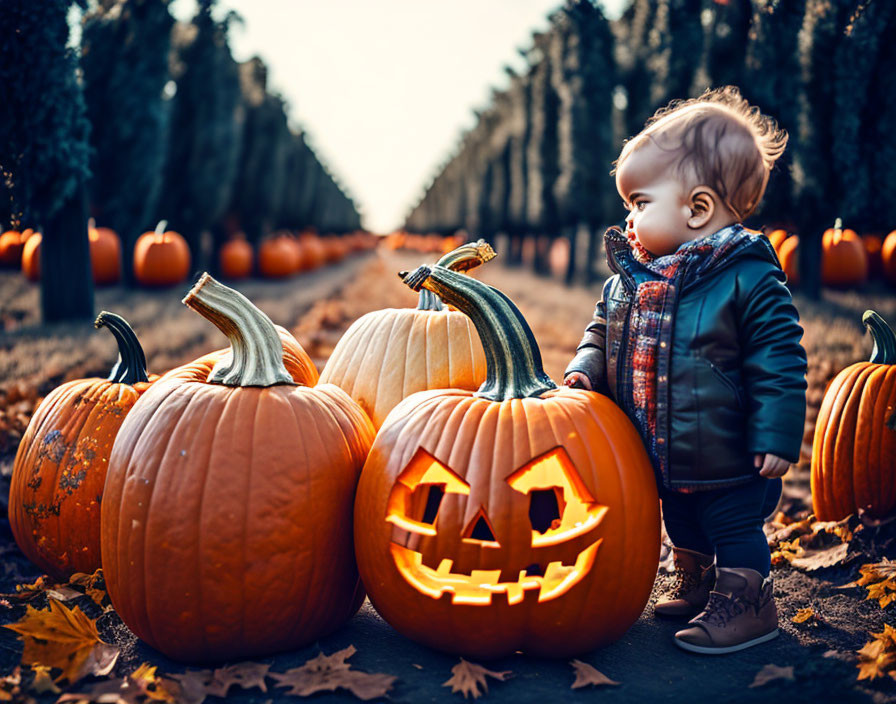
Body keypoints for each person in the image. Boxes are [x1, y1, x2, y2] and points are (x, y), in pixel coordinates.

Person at [563, 86, 807, 654]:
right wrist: (584, 371)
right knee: (684, 524)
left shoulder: (747, 278)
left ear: (696, 209)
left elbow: (779, 356)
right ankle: (697, 581)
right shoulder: (627, 282)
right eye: (627, 204)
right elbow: (601, 334)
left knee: (731, 527)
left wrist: (776, 433)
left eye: (640, 203)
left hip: (728, 451)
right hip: (662, 451)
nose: (628, 218)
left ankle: (749, 602)